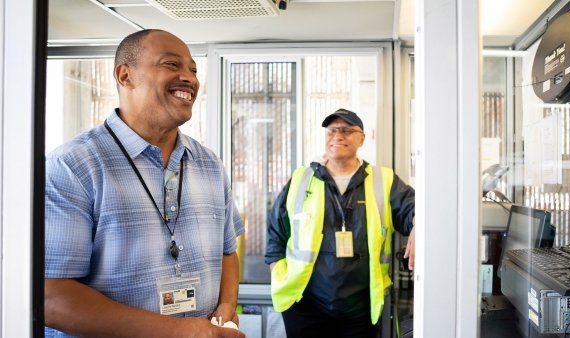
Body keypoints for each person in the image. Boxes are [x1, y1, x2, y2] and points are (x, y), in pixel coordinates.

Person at [44, 29, 245, 338]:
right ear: (126, 76)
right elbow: (51, 297)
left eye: (193, 69)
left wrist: (226, 307)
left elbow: (227, 253)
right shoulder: (73, 166)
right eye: (171, 64)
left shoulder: (209, 164)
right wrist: (178, 332)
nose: (189, 78)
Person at [266, 108, 416, 338]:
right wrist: (278, 271)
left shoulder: (382, 180)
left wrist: (418, 226)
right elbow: (276, 230)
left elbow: (413, 208)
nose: (337, 136)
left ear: (362, 138)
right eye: (332, 131)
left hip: (359, 310)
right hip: (304, 307)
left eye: (346, 130)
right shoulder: (302, 178)